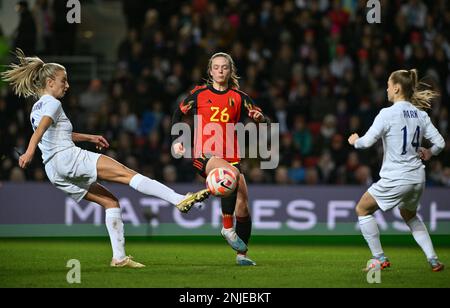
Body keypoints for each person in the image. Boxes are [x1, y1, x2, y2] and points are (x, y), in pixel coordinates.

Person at [1, 49, 209, 268]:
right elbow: (41, 130)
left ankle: (118, 258)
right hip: (68, 158)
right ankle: (178, 199)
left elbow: (52, 133)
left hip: (54, 170)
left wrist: (89, 137)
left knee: (110, 202)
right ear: (50, 82)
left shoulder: (37, 107)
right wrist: (29, 151)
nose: (68, 85)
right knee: (129, 174)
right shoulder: (53, 103)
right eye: (64, 81)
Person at [171, 52, 270, 266]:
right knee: (230, 175)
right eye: (216, 67)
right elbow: (177, 115)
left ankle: (242, 256)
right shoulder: (198, 94)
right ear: (210, 71)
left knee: (243, 204)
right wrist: (177, 139)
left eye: (224, 67)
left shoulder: (239, 97)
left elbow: (264, 119)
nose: (220, 71)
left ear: (230, 70)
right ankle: (227, 227)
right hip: (204, 155)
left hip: (231, 156)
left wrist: (261, 119)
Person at [348, 69, 445, 272]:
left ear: (397, 88)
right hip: (418, 178)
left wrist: (355, 141)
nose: (386, 89)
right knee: (409, 215)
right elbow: (440, 143)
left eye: (388, 85)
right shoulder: (420, 114)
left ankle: (379, 258)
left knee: (362, 209)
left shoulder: (387, 113)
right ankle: (433, 259)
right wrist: (429, 152)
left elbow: (366, 142)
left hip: (396, 177)